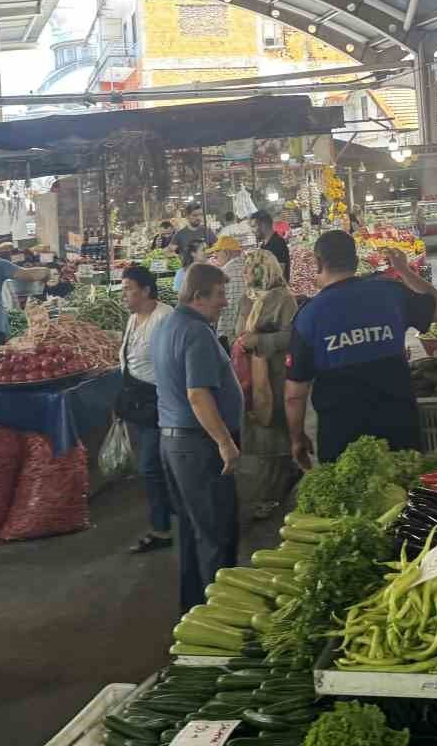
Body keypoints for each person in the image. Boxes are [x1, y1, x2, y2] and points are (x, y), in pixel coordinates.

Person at [285, 232, 437, 468]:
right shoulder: (391, 293)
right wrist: (405, 270)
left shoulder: (308, 316)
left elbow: (295, 394)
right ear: (356, 261)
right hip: (399, 425)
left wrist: (296, 438)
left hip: (341, 436)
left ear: (317, 262)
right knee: (405, 494)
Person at [151, 263, 243, 613]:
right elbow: (198, 394)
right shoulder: (196, 332)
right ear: (199, 295)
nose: (223, 302)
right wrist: (224, 441)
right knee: (217, 535)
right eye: (219, 294)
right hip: (198, 446)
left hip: (175, 444)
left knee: (194, 533)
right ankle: (220, 619)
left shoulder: (167, 326)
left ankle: (194, 613)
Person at [233, 249, 299, 520]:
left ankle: (273, 492)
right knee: (260, 428)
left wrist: (260, 342)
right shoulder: (247, 299)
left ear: (262, 271)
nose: (245, 275)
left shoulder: (284, 299)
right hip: (252, 375)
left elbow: (292, 336)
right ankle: (276, 484)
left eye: (249, 270)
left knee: (273, 430)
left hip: (275, 375)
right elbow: (239, 330)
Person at [117, 266, 174, 554]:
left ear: (146, 290)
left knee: (150, 467)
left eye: (128, 288)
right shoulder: (133, 318)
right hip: (138, 404)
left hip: (159, 403)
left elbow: (173, 364)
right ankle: (169, 517)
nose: (123, 293)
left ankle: (162, 528)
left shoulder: (165, 318)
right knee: (155, 467)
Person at [210, 236, 247, 345]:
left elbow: (218, 307)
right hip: (247, 332)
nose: (214, 255)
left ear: (226, 252)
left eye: (217, 252)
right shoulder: (249, 267)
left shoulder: (223, 274)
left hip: (227, 332)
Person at [250, 209, 291, 283]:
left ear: (263, 225)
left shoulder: (277, 244)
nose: (252, 230)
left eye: (254, 226)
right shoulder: (264, 245)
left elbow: (279, 275)